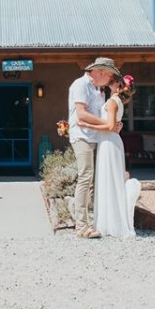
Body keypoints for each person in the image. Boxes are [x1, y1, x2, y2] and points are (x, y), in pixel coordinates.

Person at [67, 57, 123, 239]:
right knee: (86, 176)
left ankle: (92, 221)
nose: (110, 80)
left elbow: (101, 115)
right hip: (82, 136)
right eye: (110, 76)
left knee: (93, 179)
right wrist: (109, 123)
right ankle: (81, 226)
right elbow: (81, 115)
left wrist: (115, 123)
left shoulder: (99, 90)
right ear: (100, 72)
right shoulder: (80, 85)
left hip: (96, 136)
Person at [85, 74, 142, 237]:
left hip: (109, 142)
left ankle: (111, 223)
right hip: (110, 141)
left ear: (119, 87)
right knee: (109, 179)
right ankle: (108, 221)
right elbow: (113, 124)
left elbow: (110, 126)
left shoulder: (112, 102)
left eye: (116, 80)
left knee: (108, 179)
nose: (113, 80)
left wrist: (87, 124)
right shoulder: (116, 101)